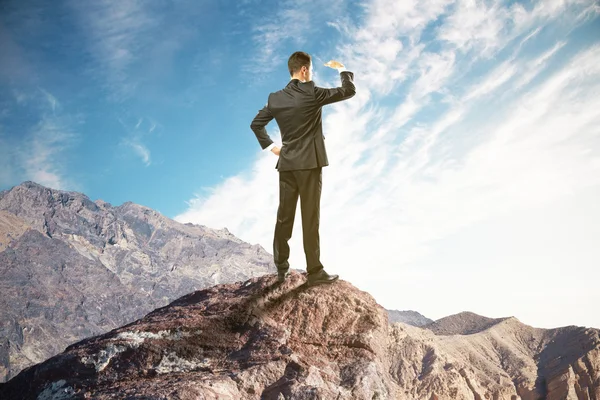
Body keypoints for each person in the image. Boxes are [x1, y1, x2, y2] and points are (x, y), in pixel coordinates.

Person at [250, 51, 356, 285]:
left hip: (287, 164)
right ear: (305, 70)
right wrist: (342, 69)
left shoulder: (275, 98)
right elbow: (349, 91)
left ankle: (281, 269)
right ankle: (315, 272)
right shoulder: (312, 92)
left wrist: (271, 147)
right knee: (310, 218)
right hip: (310, 164)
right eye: (312, 70)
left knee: (284, 218)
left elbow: (256, 124)